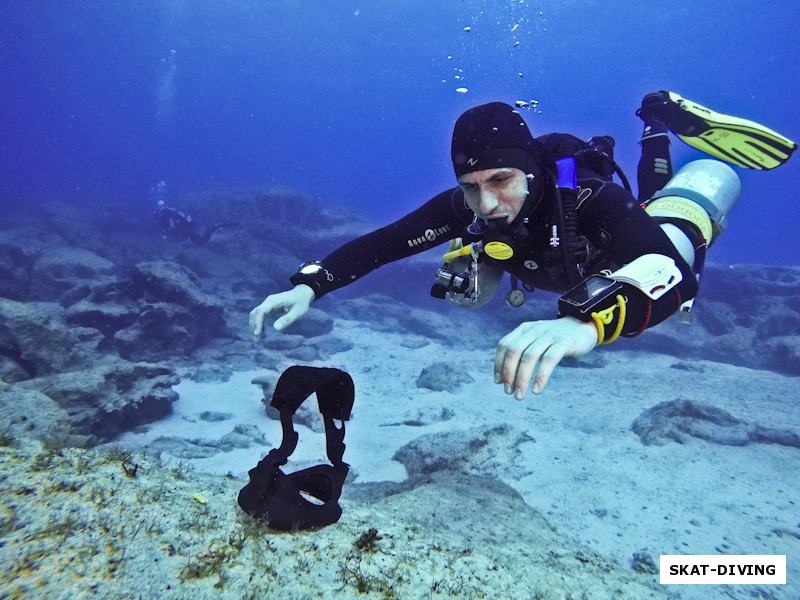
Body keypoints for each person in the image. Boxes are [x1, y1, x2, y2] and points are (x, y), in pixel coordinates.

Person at [249, 91, 796, 399]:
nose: (485, 204)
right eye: (471, 186)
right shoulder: (468, 205)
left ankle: (655, 125)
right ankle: (653, 133)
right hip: (565, 267)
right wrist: (311, 284)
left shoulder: (589, 200)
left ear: (532, 171)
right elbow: (385, 243)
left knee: (672, 221)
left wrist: (586, 323)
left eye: (501, 180)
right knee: (475, 254)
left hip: (622, 257)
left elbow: (679, 278)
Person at [154, 200, 222, 244]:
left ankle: (212, 228)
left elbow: (172, 226)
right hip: (187, 226)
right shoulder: (169, 211)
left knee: (202, 241)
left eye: (157, 215)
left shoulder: (166, 215)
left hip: (185, 229)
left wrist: (165, 233)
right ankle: (210, 228)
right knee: (195, 240)